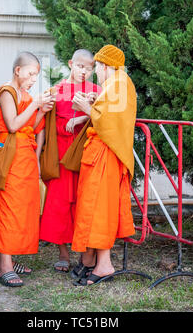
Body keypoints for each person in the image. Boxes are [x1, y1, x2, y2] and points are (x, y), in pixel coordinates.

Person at [0, 51, 55, 287]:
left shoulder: (24, 94)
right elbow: (12, 125)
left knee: (22, 211)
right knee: (7, 209)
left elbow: (28, 127)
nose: (34, 79)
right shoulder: (7, 92)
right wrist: (35, 104)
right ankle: (6, 266)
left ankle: (4, 263)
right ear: (18, 71)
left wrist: (41, 110)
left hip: (24, 157)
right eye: (31, 74)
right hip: (9, 156)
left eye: (36, 75)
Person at [69, 45, 137, 286]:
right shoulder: (114, 84)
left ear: (105, 66)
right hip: (99, 154)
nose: (95, 72)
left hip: (107, 154)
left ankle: (104, 264)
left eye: (96, 67)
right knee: (93, 207)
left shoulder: (120, 82)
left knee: (100, 210)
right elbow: (109, 114)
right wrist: (95, 102)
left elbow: (111, 124)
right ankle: (92, 260)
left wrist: (85, 108)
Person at [39, 49, 101, 273]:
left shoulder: (96, 91)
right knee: (59, 204)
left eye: (89, 67)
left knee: (84, 203)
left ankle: (86, 254)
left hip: (87, 156)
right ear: (70, 64)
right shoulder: (56, 91)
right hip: (61, 158)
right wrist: (39, 158)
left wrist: (84, 116)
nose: (84, 71)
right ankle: (63, 253)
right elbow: (44, 127)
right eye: (80, 66)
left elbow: (104, 119)